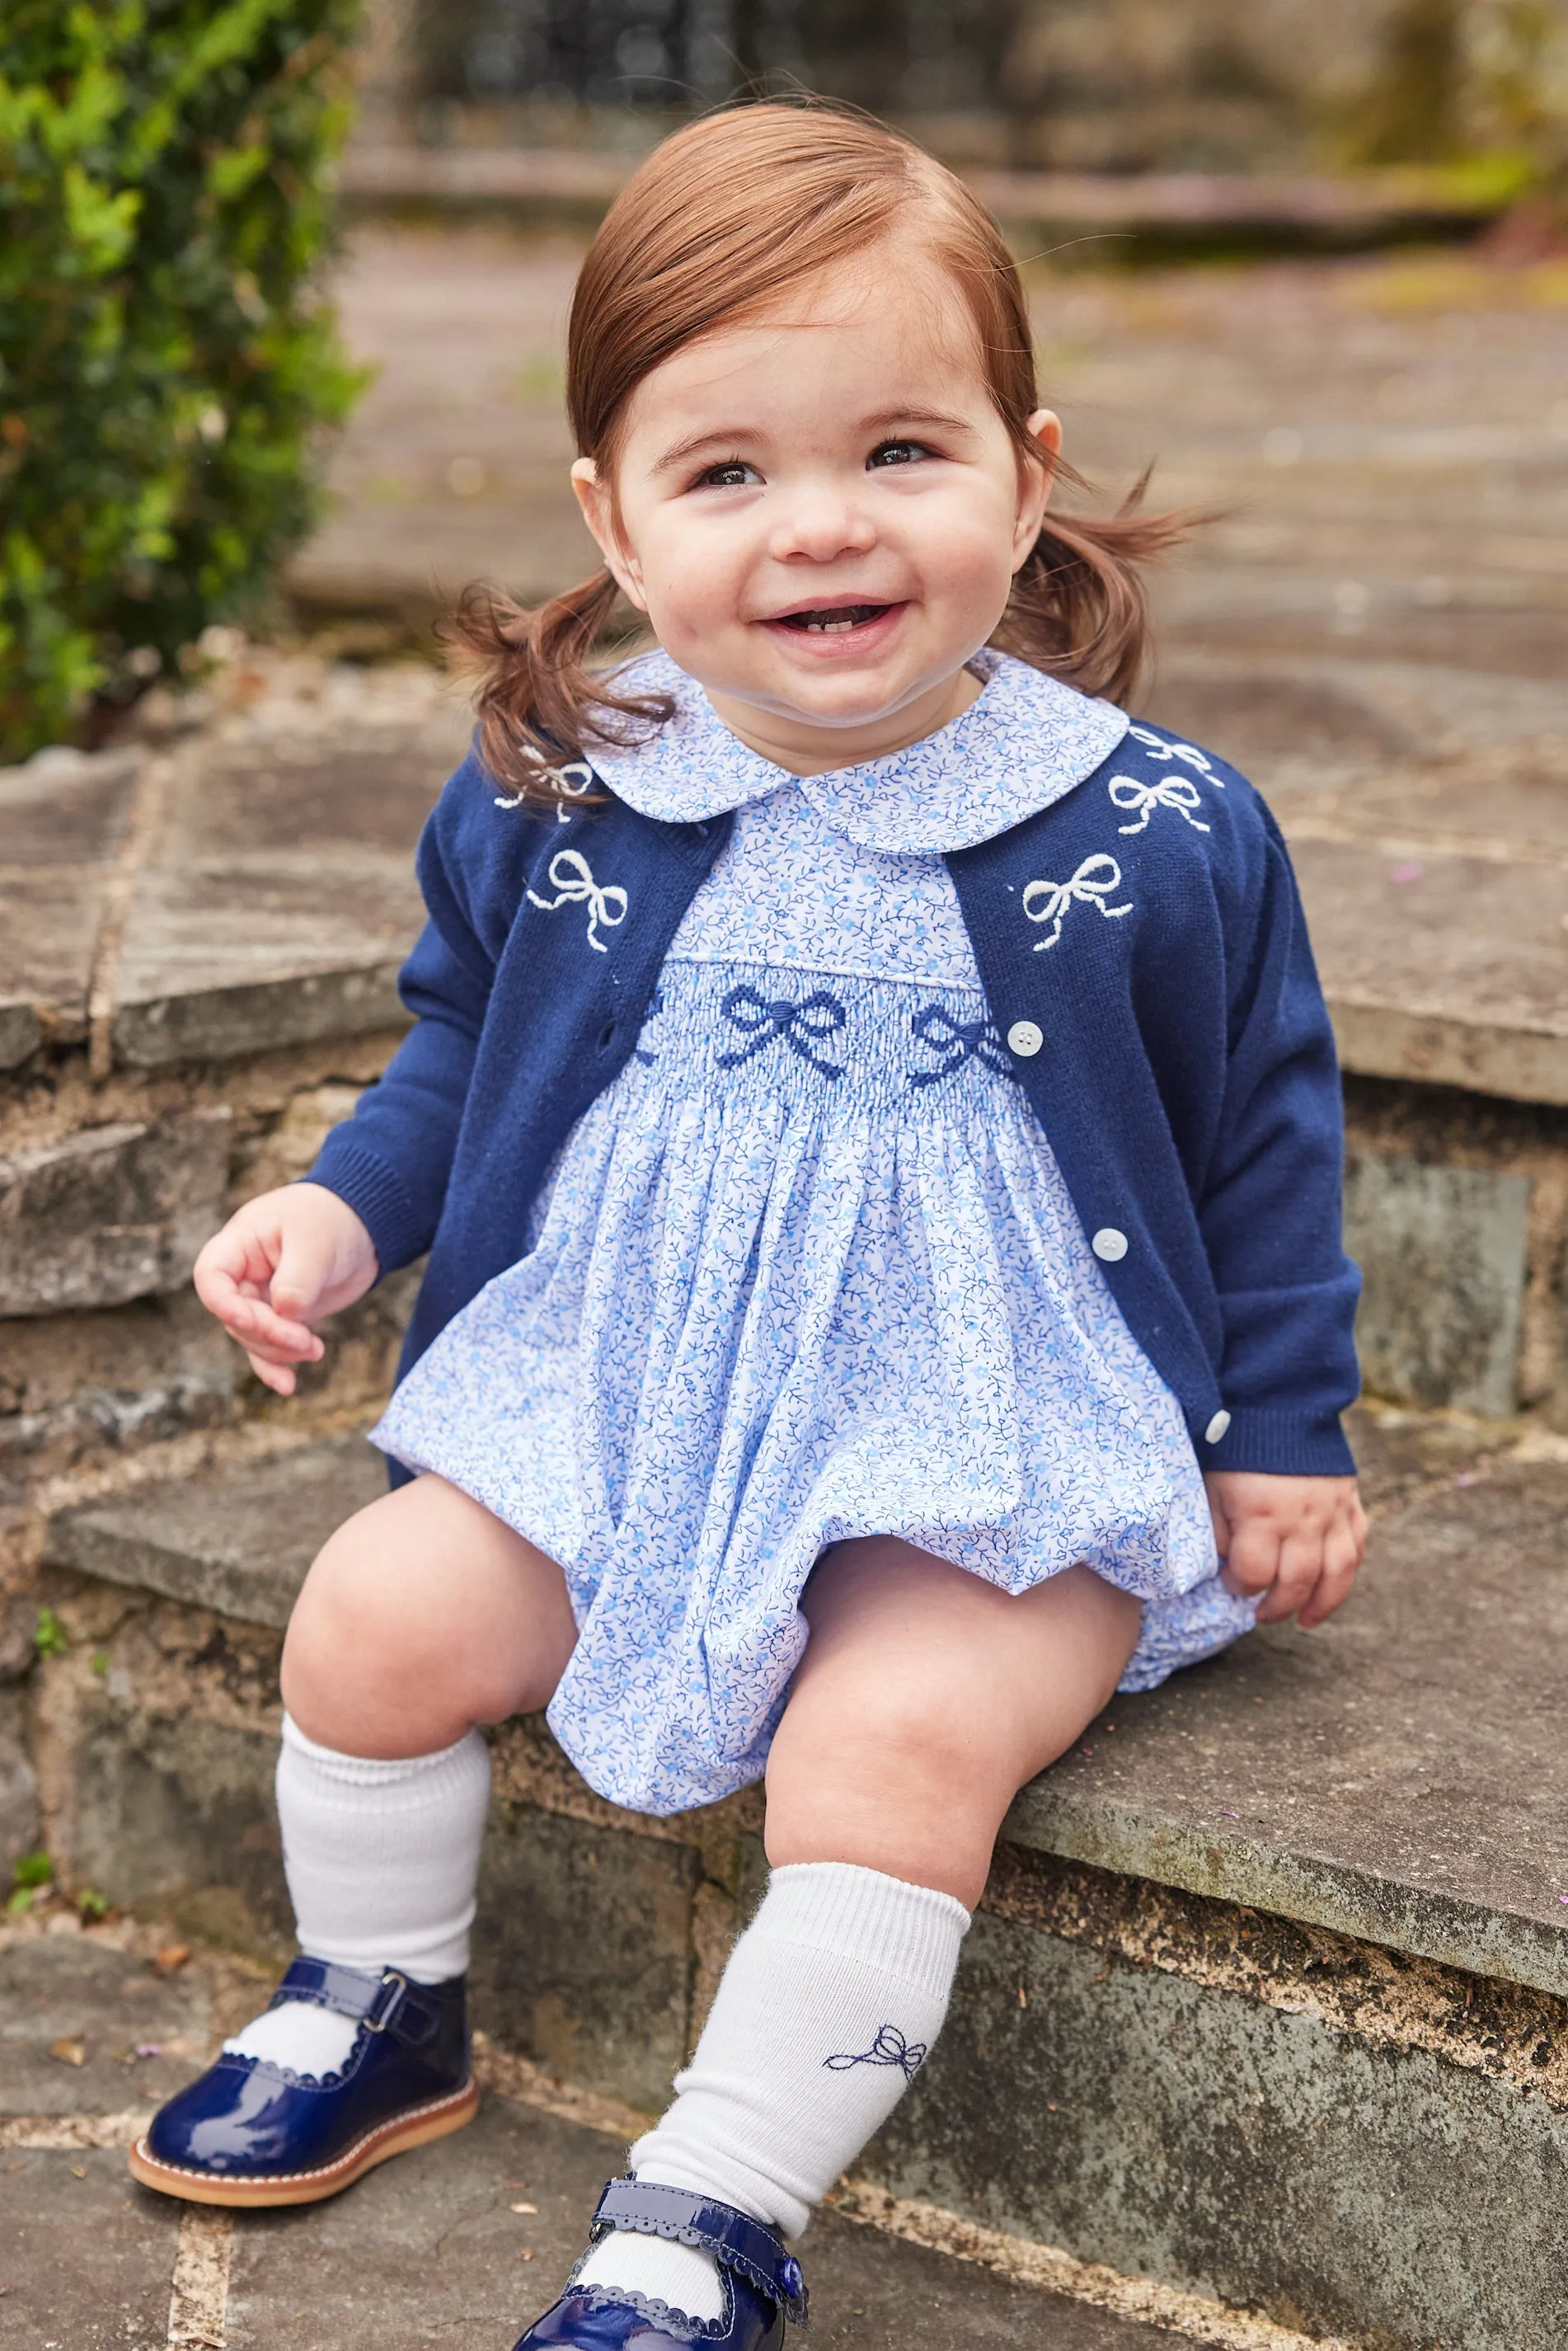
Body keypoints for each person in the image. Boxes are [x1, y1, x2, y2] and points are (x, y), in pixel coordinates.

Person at [130, 100, 1367, 2351]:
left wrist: (1283, 1430)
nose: (821, 529)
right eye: (727, 476)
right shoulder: (565, 775)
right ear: (610, 512)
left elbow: (1260, 1137)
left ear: (1023, 463)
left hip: (980, 1424)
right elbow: (458, 1045)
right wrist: (339, 1209)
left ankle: (715, 2197)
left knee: (883, 1747)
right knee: (373, 1619)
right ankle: (374, 2001)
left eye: (900, 450)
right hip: (633, 1383)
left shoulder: (1156, 828)